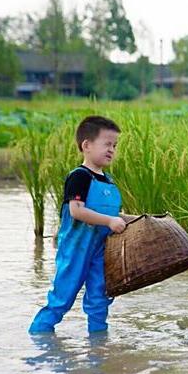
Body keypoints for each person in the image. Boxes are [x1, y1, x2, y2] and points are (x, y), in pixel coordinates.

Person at [29, 116, 126, 334]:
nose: (112, 149)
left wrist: (123, 218)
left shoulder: (109, 181)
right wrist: (110, 221)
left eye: (115, 145)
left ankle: (99, 346)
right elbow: (77, 211)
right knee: (63, 295)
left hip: (101, 249)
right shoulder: (79, 177)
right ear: (87, 145)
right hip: (75, 247)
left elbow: (108, 213)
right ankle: (39, 335)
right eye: (107, 144)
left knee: (100, 298)